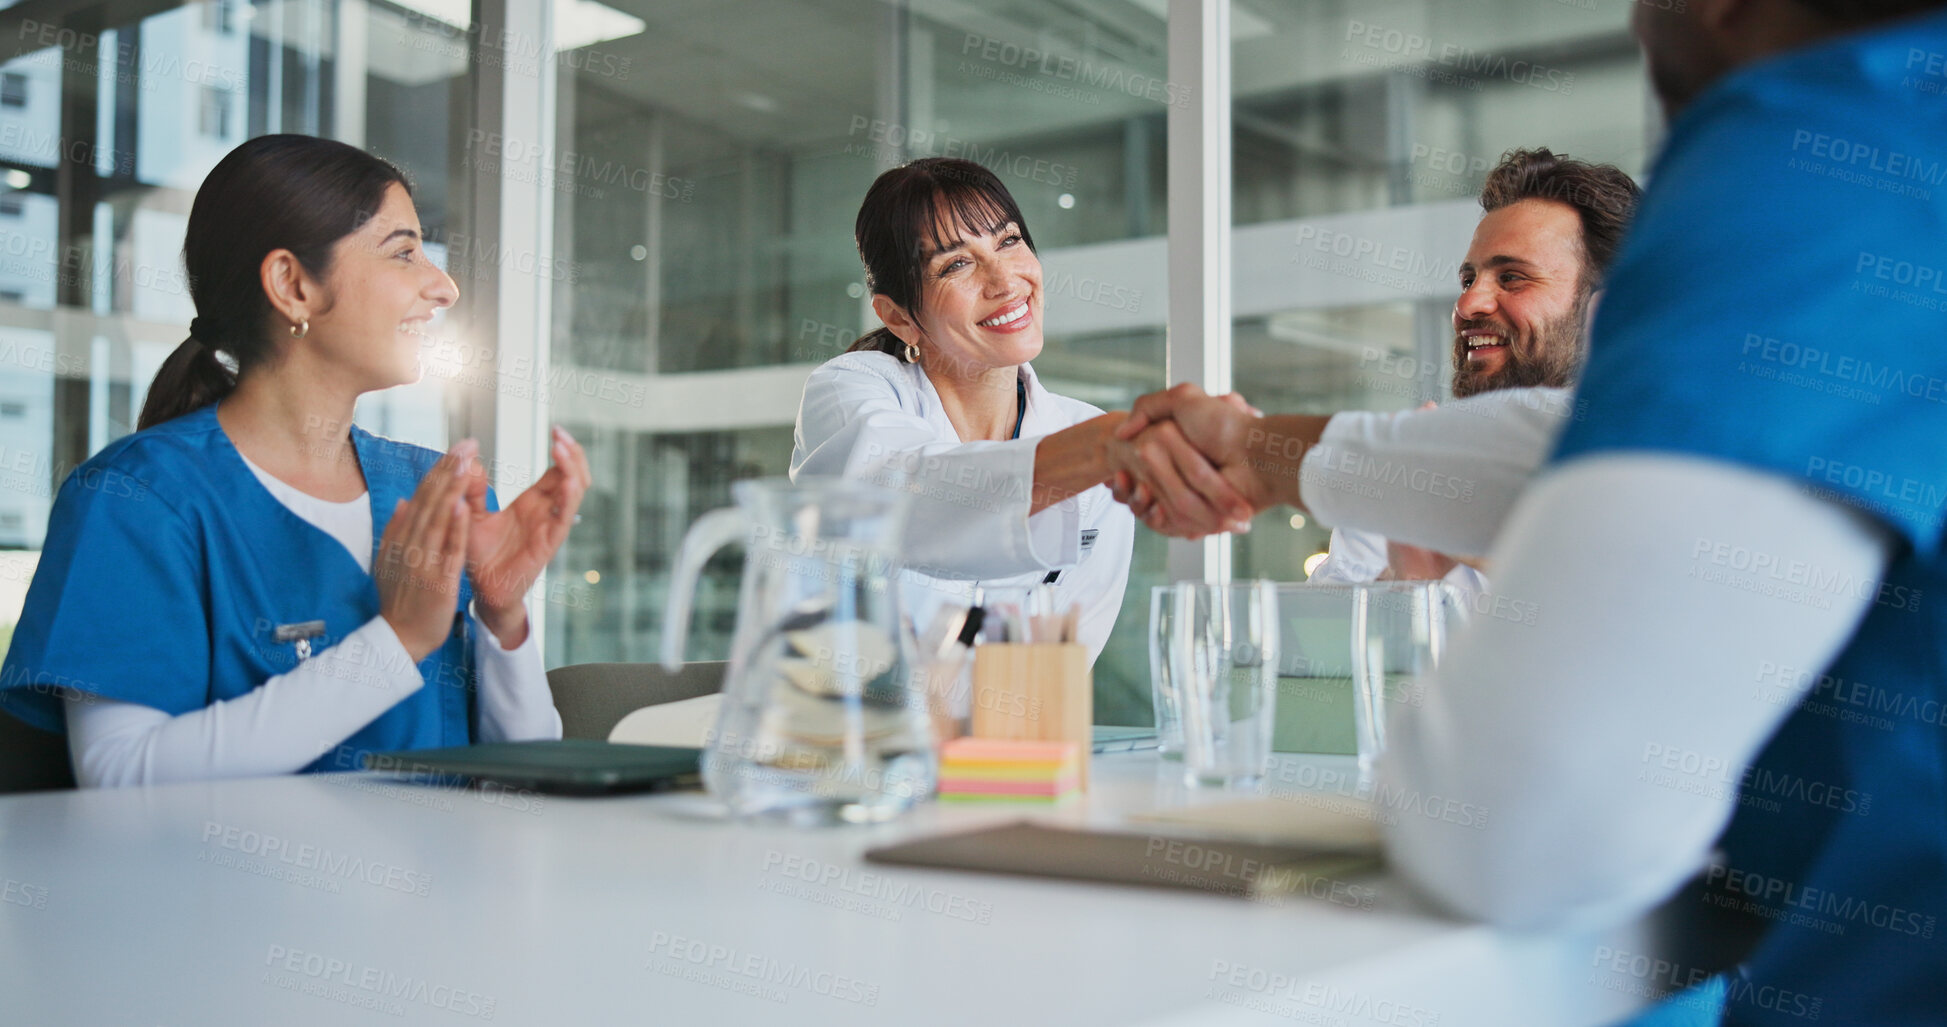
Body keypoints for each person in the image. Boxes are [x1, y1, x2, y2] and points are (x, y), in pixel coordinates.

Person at [1121, 1, 1947, 1021]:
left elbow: (1518, 828)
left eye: (1512, 277)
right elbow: (1575, 443)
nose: (1637, 21)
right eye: (1470, 277)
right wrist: (1255, 449)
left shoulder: (1828, 141)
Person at [0, 135, 590, 787]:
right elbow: (120, 774)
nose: (443, 286)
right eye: (403, 252)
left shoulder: (430, 490)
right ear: (293, 285)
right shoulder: (136, 498)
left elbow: (524, 773)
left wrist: (503, 616)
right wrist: (395, 641)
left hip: (446, 855)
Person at [791, 157, 1252, 665]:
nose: (1005, 281)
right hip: (850, 715)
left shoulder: (1083, 433)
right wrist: (1107, 446)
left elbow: (1063, 663)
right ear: (899, 317)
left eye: (1008, 241)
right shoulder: (850, 390)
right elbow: (906, 501)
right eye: (956, 264)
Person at [1299, 148, 1639, 592]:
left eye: (1512, 277)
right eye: (1468, 280)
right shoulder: (1402, 478)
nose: (1466, 304)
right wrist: (1408, 586)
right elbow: (1326, 631)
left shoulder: (1670, 473)